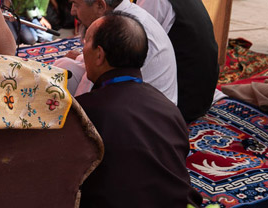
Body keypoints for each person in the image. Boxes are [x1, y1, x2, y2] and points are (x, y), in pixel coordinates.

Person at [76, 12, 199, 207]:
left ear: (99, 55)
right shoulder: (169, 108)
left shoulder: (84, 112)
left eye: (85, 43)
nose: (82, 50)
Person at [57, 0, 178, 103]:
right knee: (66, 64)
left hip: (140, 111)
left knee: (62, 77)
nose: (72, 11)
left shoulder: (120, 31)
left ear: (100, 5)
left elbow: (93, 86)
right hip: (145, 102)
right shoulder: (126, 16)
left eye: (76, 4)